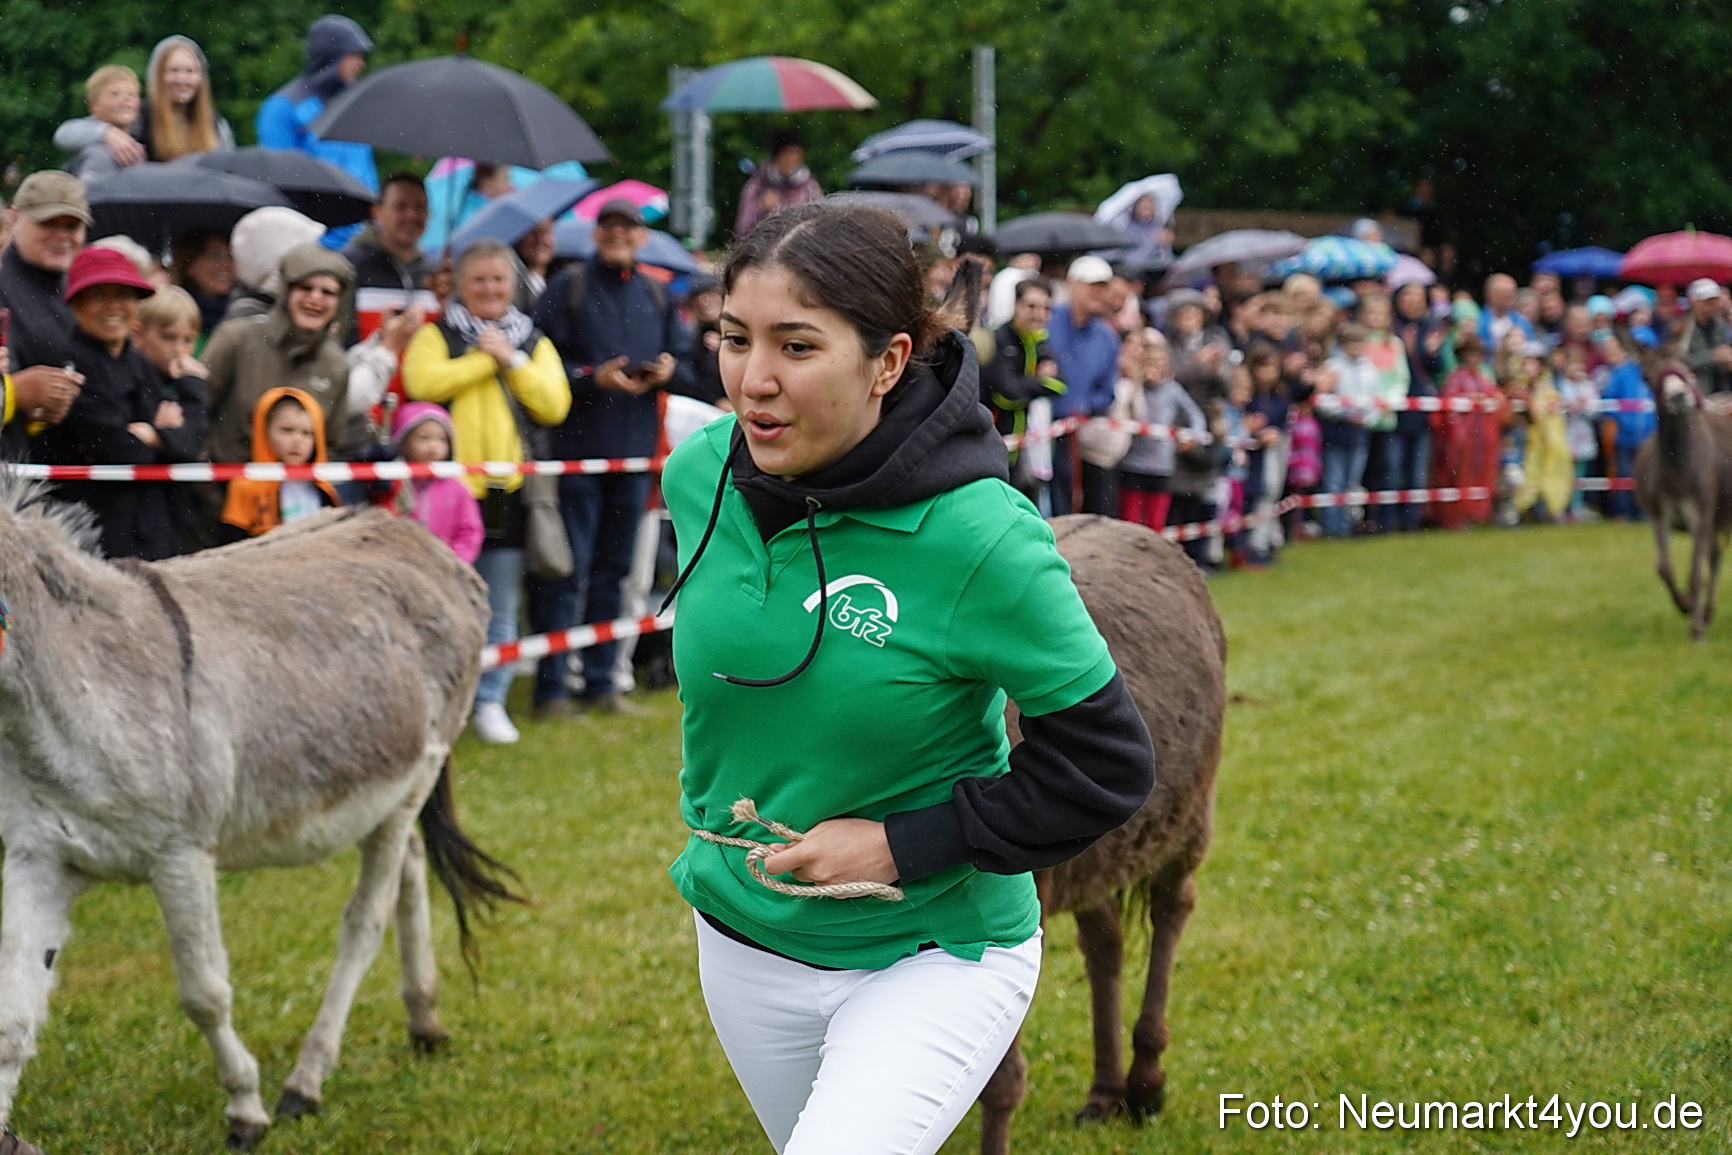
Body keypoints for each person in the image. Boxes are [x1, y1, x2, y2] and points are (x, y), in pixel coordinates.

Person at [661, 200, 1153, 1155]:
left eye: (796, 346)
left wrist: (903, 841)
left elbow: (1106, 766)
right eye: (734, 338)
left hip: (934, 949)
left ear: (887, 362)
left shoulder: (982, 536)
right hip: (739, 937)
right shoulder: (698, 475)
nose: (753, 380)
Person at [401, 237, 569, 746]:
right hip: (445, 494)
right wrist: (485, 358)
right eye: (479, 280)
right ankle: (434, 701)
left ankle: (490, 702)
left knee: (500, 601)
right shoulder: (437, 334)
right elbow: (421, 382)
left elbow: (554, 404)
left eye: (499, 279)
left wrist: (512, 361)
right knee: (437, 600)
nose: (490, 289)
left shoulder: (532, 340)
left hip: (509, 493)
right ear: (460, 286)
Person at [528, 199, 691, 718]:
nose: (619, 235)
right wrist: (587, 378)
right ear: (597, 234)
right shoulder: (567, 287)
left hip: (635, 459)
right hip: (577, 454)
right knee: (566, 572)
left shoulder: (658, 295)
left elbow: (687, 362)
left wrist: (666, 371)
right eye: (611, 227)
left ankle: (601, 682)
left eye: (629, 228)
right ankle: (551, 689)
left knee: (615, 572)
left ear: (642, 238)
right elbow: (539, 357)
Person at [41, 251, 206, 560]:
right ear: (76, 303)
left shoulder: (141, 365)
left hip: (158, 531)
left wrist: (154, 434)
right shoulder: (69, 366)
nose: (114, 306)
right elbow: (123, 450)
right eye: (99, 295)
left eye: (123, 295)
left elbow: (191, 444)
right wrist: (163, 438)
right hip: (94, 536)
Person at [202, 243, 365, 466]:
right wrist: (206, 487)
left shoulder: (336, 364)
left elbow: (331, 443)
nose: (315, 298)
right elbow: (196, 413)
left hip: (294, 496)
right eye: (305, 287)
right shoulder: (237, 339)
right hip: (224, 490)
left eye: (328, 292)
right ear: (286, 291)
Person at [256, 15, 378, 248]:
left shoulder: (354, 104)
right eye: (355, 55)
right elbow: (277, 181)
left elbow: (366, 171)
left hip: (362, 241)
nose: (360, 64)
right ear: (331, 55)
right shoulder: (282, 108)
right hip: (312, 243)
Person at [0, 172, 90, 455]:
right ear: (15, 219)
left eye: (72, 226)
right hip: (13, 482)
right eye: (48, 223)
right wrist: (18, 392)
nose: (62, 236)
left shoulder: (83, 293)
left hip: (62, 477)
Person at [54, 37, 235, 170]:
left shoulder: (216, 124)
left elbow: (229, 167)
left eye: (190, 71)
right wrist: (108, 133)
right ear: (157, 75)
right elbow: (65, 134)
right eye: (174, 70)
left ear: (201, 77)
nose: (182, 79)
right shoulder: (140, 115)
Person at [1046, 255, 1120, 515]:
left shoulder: (1107, 337)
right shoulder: (1046, 320)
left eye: (1104, 288)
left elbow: (1107, 393)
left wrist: (1085, 406)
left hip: (1072, 433)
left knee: (1066, 498)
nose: (1099, 294)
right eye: (1092, 286)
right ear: (1072, 285)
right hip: (1033, 426)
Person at [977, 277, 1064, 500]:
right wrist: (1039, 381)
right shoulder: (998, 337)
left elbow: (1061, 385)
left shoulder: (1039, 340)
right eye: (1032, 306)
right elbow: (1006, 394)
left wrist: (1027, 385)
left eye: (1045, 308)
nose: (1038, 314)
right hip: (990, 445)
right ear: (1016, 305)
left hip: (1023, 447)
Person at [218, 387, 340, 541]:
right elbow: (232, 543)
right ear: (264, 431)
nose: (297, 440)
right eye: (287, 430)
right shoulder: (244, 485)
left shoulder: (325, 489)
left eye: (307, 433)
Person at [1119, 331, 1199, 532]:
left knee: (1156, 523)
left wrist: (1192, 436)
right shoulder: (1133, 387)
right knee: (1130, 521)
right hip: (1133, 463)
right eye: (1150, 361)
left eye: (1159, 361)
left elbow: (1196, 415)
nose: (1154, 366)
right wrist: (1136, 380)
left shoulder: (1173, 391)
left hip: (1162, 466)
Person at [389, 401, 483, 562]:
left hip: (445, 570)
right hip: (401, 568)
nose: (434, 446)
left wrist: (456, 561)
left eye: (442, 439)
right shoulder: (392, 483)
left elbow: (469, 531)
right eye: (423, 438)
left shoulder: (457, 488)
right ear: (403, 441)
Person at [1431, 333, 1503, 529]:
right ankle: (1456, 516)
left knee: (1481, 473)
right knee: (1458, 475)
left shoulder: (1484, 378)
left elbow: (1496, 402)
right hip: (1463, 439)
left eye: (1478, 354)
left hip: (1483, 438)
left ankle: (1477, 513)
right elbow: (1450, 409)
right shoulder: (1455, 378)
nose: (1474, 358)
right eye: (1470, 354)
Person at [1315, 322, 1379, 537]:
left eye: (1361, 342)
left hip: (1360, 432)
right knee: (1334, 480)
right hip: (1336, 430)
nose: (1358, 347)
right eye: (1353, 343)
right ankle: (1332, 526)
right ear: (1343, 344)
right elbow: (1323, 400)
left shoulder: (1369, 368)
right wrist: (1343, 413)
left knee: (1353, 481)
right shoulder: (1332, 367)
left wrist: (1368, 417)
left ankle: (1348, 524)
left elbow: (1375, 399)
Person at [343, 173, 432, 293]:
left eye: (420, 207)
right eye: (401, 206)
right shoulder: (349, 265)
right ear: (377, 213)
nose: (411, 216)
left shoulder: (432, 272)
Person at [1596, 336, 1654, 521]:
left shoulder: (1653, 372)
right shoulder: (1622, 373)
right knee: (1624, 473)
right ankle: (1622, 512)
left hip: (1649, 436)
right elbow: (1609, 401)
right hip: (1625, 434)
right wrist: (1620, 421)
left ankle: (1644, 511)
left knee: (1647, 475)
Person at [55, 65, 141, 181]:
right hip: (87, 191)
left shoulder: (144, 130)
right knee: (99, 154)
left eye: (131, 94)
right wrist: (106, 132)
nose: (126, 99)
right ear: (94, 106)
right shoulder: (88, 129)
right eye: (115, 94)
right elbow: (63, 134)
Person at [734, 127, 823, 237]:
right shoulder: (757, 185)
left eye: (797, 153)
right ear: (777, 155)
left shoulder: (810, 187)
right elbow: (742, 230)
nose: (793, 159)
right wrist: (760, 207)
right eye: (788, 153)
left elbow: (819, 227)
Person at [170, 230, 236, 338]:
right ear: (189, 264)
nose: (226, 265)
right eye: (215, 255)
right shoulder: (169, 312)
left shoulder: (242, 313)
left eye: (231, 256)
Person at [1681, 279, 1732, 395]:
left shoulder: (1719, 326)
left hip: (1723, 390)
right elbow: (1680, 361)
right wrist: (1713, 356)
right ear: (1695, 303)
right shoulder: (1682, 328)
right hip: (1698, 393)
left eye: (1714, 301)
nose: (1713, 306)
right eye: (1708, 302)